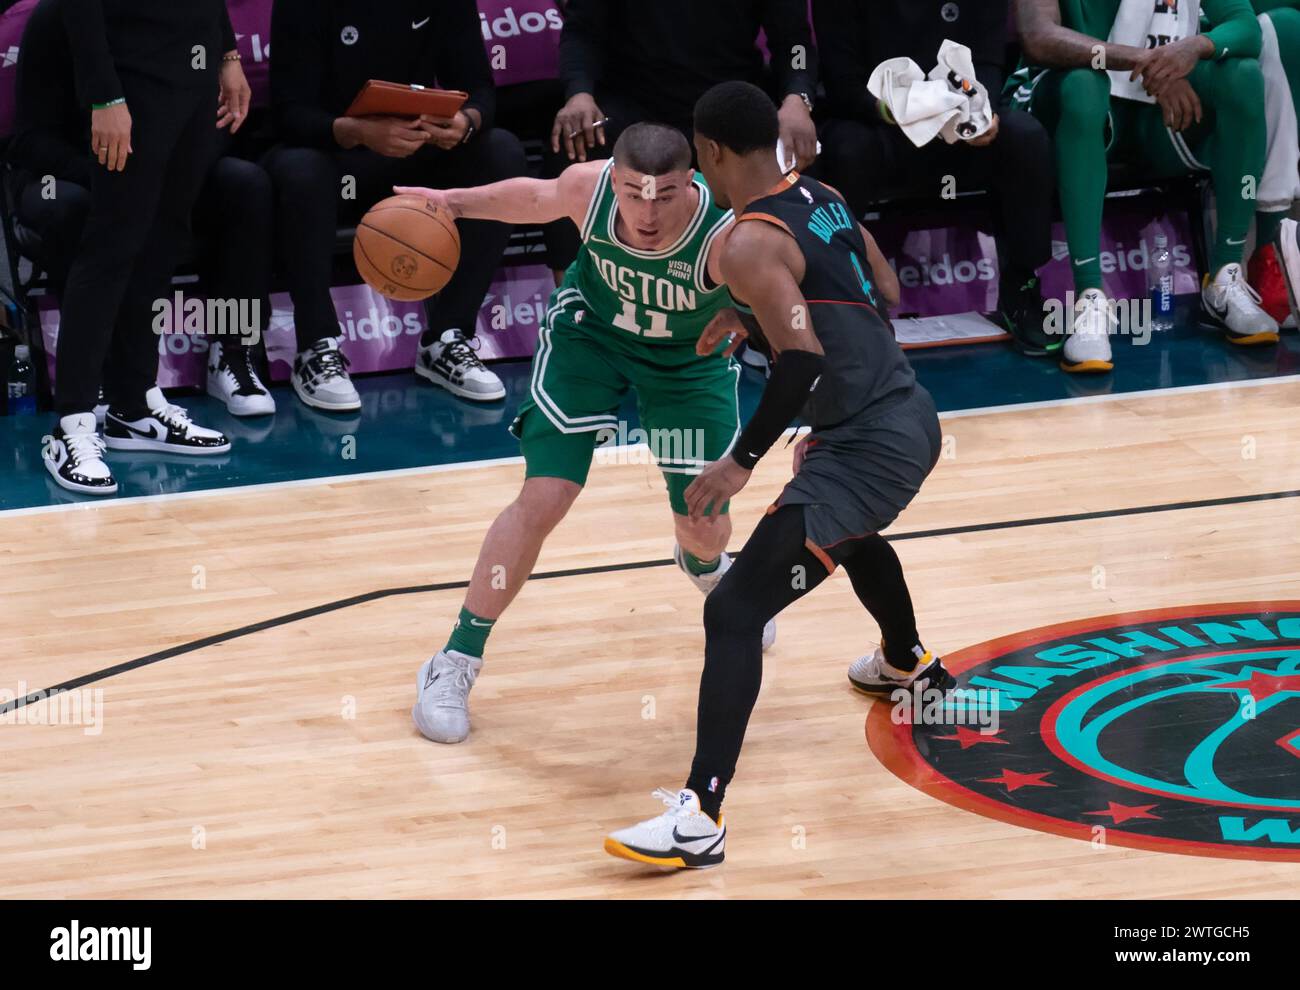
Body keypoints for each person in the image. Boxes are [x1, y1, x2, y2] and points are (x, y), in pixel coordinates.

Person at [604, 81, 950, 869]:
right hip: (900, 412)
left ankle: (701, 816)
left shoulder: (748, 243)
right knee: (851, 535)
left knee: (734, 609)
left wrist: (738, 461)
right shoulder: (820, 193)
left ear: (712, 153)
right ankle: (909, 666)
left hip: (871, 441)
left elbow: (801, 361)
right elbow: (881, 289)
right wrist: (757, 314)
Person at [397, 122, 778, 745]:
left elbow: (804, 279)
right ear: (614, 180)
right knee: (546, 495)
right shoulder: (588, 188)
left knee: (702, 517)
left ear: (691, 183)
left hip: (687, 365)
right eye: (633, 194)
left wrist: (749, 317)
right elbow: (532, 197)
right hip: (589, 341)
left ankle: (705, 565)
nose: (647, 212)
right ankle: (454, 661)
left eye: (664, 195)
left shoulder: (725, 234)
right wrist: (453, 202)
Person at [9, 0, 275, 431]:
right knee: (95, 232)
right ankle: (78, 410)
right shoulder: (55, 22)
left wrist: (226, 54)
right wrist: (105, 112)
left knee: (220, 203)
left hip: (174, 115)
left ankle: (214, 358)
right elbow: (29, 138)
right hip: (68, 168)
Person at [265, 0, 527, 411]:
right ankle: (316, 345)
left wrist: (466, 123)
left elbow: (480, 88)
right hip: (337, 160)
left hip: (414, 157)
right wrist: (354, 132)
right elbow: (287, 113)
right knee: (299, 170)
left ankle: (447, 338)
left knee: (501, 152)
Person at [1013, 0, 1274, 373]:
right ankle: (1090, 297)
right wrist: (1148, 62)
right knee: (1085, 85)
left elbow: (1246, 28)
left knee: (1244, 75)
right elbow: (1039, 37)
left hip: (1154, 109)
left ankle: (1224, 278)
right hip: (1069, 93)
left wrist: (1194, 48)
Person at [815, 0, 1058, 357]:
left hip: (955, 131)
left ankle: (1022, 285)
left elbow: (988, 61)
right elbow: (842, 80)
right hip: (879, 124)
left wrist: (978, 112)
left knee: (1024, 137)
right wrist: (900, 110)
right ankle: (841, 301)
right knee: (846, 150)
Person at [543, 0, 819, 270]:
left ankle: (771, 294)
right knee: (573, 142)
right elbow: (582, 31)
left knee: (789, 150)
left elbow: (795, 42)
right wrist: (579, 93)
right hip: (634, 100)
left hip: (726, 103)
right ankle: (573, 300)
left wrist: (797, 98)